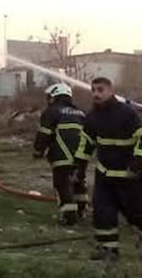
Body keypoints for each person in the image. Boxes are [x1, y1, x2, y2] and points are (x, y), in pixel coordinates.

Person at [78, 77, 142, 260]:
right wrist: (79, 169)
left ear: (110, 91)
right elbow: (86, 145)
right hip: (104, 176)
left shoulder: (127, 113)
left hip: (128, 178)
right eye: (93, 90)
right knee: (102, 213)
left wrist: (138, 162)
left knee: (136, 216)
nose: (96, 94)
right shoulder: (92, 117)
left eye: (100, 90)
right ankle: (108, 250)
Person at [34, 82, 90, 224]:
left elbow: (44, 133)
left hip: (61, 156)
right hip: (81, 156)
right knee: (79, 182)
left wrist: (38, 151)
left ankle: (69, 217)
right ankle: (81, 211)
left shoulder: (51, 112)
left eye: (49, 97)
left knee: (62, 184)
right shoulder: (80, 112)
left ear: (54, 96)